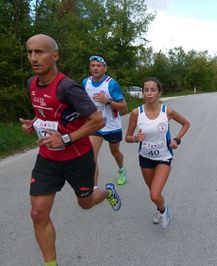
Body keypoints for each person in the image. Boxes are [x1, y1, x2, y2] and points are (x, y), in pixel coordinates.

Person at [20, 34, 121, 266]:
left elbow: (97, 121)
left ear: (55, 56)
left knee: (85, 203)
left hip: (77, 157)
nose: (34, 58)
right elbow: (47, 114)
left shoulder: (68, 87)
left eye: (40, 52)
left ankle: (107, 192)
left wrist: (65, 139)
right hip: (47, 158)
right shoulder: (31, 83)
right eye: (30, 52)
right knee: (38, 214)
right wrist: (33, 123)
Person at [125, 77, 190, 228]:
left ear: (159, 93)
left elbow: (186, 124)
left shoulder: (167, 111)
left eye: (153, 90)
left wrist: (177, 140)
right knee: (154, 194)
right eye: (146, 90)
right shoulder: (136, 113)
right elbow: (127, 137)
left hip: (164, 157)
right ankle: (160, 210)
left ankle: (163, 210)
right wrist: (135, 138)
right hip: (145, 158)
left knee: (154, 194)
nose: (148, 93)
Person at [83, 55, 128, 186]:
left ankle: (121, 169)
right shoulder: (86, 82)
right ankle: (94, 189)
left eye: (99, 66)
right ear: (90, 67)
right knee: (91, 157)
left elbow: (124, 107)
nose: (95, 68)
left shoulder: (111, 84)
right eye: (93, 65)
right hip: (95, 125)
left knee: (115, 152)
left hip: (112, 125)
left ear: (105, 68)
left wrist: (107, 101)